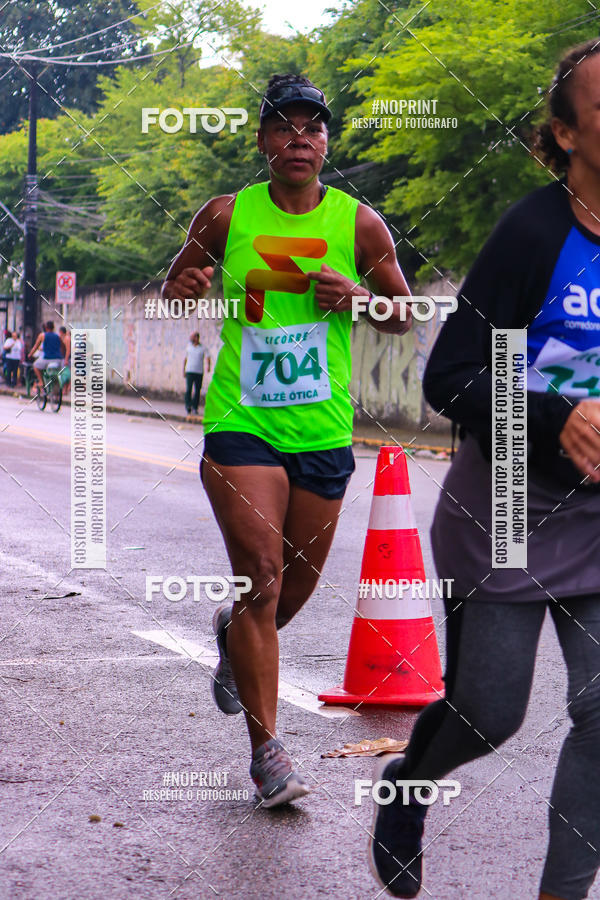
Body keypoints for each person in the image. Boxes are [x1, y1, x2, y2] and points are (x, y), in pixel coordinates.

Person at [369, 39, 600, 900]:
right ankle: (408, 786)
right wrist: (555, 415)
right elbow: (454, 378)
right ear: (566, 133)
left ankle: (562, 893)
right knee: (488, 712)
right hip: (511, 498)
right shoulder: (532, 233)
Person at [162, 73, 412, 807]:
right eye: (285, 126)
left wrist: (361, 297)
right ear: (264, 140)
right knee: (263, 573)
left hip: (323, 428)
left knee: (288, 591)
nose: (300, 138)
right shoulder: (224, 214)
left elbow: (403, 313)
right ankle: (268, 752)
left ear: (326, 144)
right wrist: (187, 284)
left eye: (314, 128)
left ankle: (232, 639)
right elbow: (180, 282)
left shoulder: (359, 224)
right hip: (243, 423)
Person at [30, 321, 65, 391]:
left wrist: (30, 354)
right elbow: (63, 347)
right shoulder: (58, 336)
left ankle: (41, 381)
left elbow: (35, 347)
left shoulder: (42, 335)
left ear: (46, 327)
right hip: (58, 359)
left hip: (47, 359)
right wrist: (62, 355)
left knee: (35, 365)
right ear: (53, 327)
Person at [183, 331, 206, 414]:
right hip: (189, 371)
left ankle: (195, 407)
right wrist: (184, 370)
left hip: (199, 372)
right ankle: (188, 406)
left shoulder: (202, 348)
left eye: (192, 337)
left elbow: (207, 357)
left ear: (196, 338)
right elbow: (185, 359)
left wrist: (208, 366)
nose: (190, 338)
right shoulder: (188, 347)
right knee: (188, 389)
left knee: (197, 391)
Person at [59, 326, 71, 394]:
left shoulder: (66, 338)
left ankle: (65, 389)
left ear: (61, 332)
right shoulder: (64, 338)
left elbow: (68, 350)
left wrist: (66, 359)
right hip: (65, 358)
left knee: (65, 374)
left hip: (67, 359)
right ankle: (65, 390)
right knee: (65, 374)